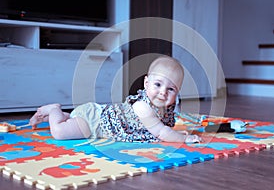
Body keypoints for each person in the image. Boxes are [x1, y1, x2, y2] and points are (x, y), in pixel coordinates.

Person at [29, 56, 202, 143]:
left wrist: (177, 133)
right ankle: (54, 110)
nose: (163, 92)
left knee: (72, 121)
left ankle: (66, 116)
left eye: (171, 89)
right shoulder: (143, 106)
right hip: (94, 122)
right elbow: (161, 132)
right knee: (59, 133)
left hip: (94, 114)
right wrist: (183, 138)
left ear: (177, 92)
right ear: (146, 83)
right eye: (158, 84)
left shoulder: (166, 108)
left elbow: (165, 127)